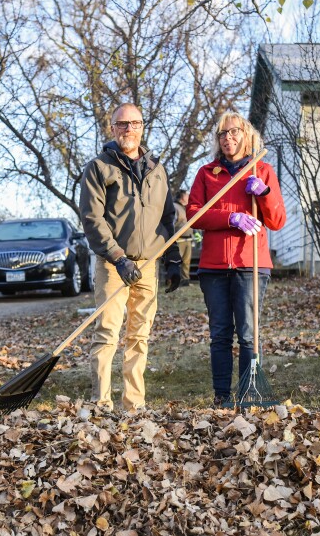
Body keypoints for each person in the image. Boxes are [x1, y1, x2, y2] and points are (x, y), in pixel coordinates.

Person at [79, 102, 183, 411]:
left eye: (134, 124)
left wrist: (174, 258)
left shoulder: (157, 169)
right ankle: (101, 404)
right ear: (112, 129)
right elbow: (92, 218)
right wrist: (117, 257)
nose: (129, 129)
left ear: (142, 128)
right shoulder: (99, 167)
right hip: (114, 266)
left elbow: (168, 219)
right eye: (122, 124)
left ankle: (133, 404)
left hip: (148, 265)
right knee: (107, 333)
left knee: (139, 336)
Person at [186, 111, 286, 407]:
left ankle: (249, 393)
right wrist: (231, 217)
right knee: (220, 334)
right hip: (214, 267)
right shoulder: (207, 173)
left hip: (250, 264)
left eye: (234, 132)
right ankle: (222, 397)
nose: (227, 138)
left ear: (247, 135)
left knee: (247, 334)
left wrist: (264, 193)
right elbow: (193, 214)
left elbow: (278, 220)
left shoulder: (262, 171)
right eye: (222, 134)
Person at [173, 190, 193, 286]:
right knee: (176, 261)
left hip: (188, 239)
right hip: (178, 239)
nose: (189, 197)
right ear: (182, 197)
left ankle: (185, 281)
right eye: (187, 195)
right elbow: (171, 223)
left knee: (186, 261)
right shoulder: (175, 207)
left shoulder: (186, 208)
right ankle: (173, 281)